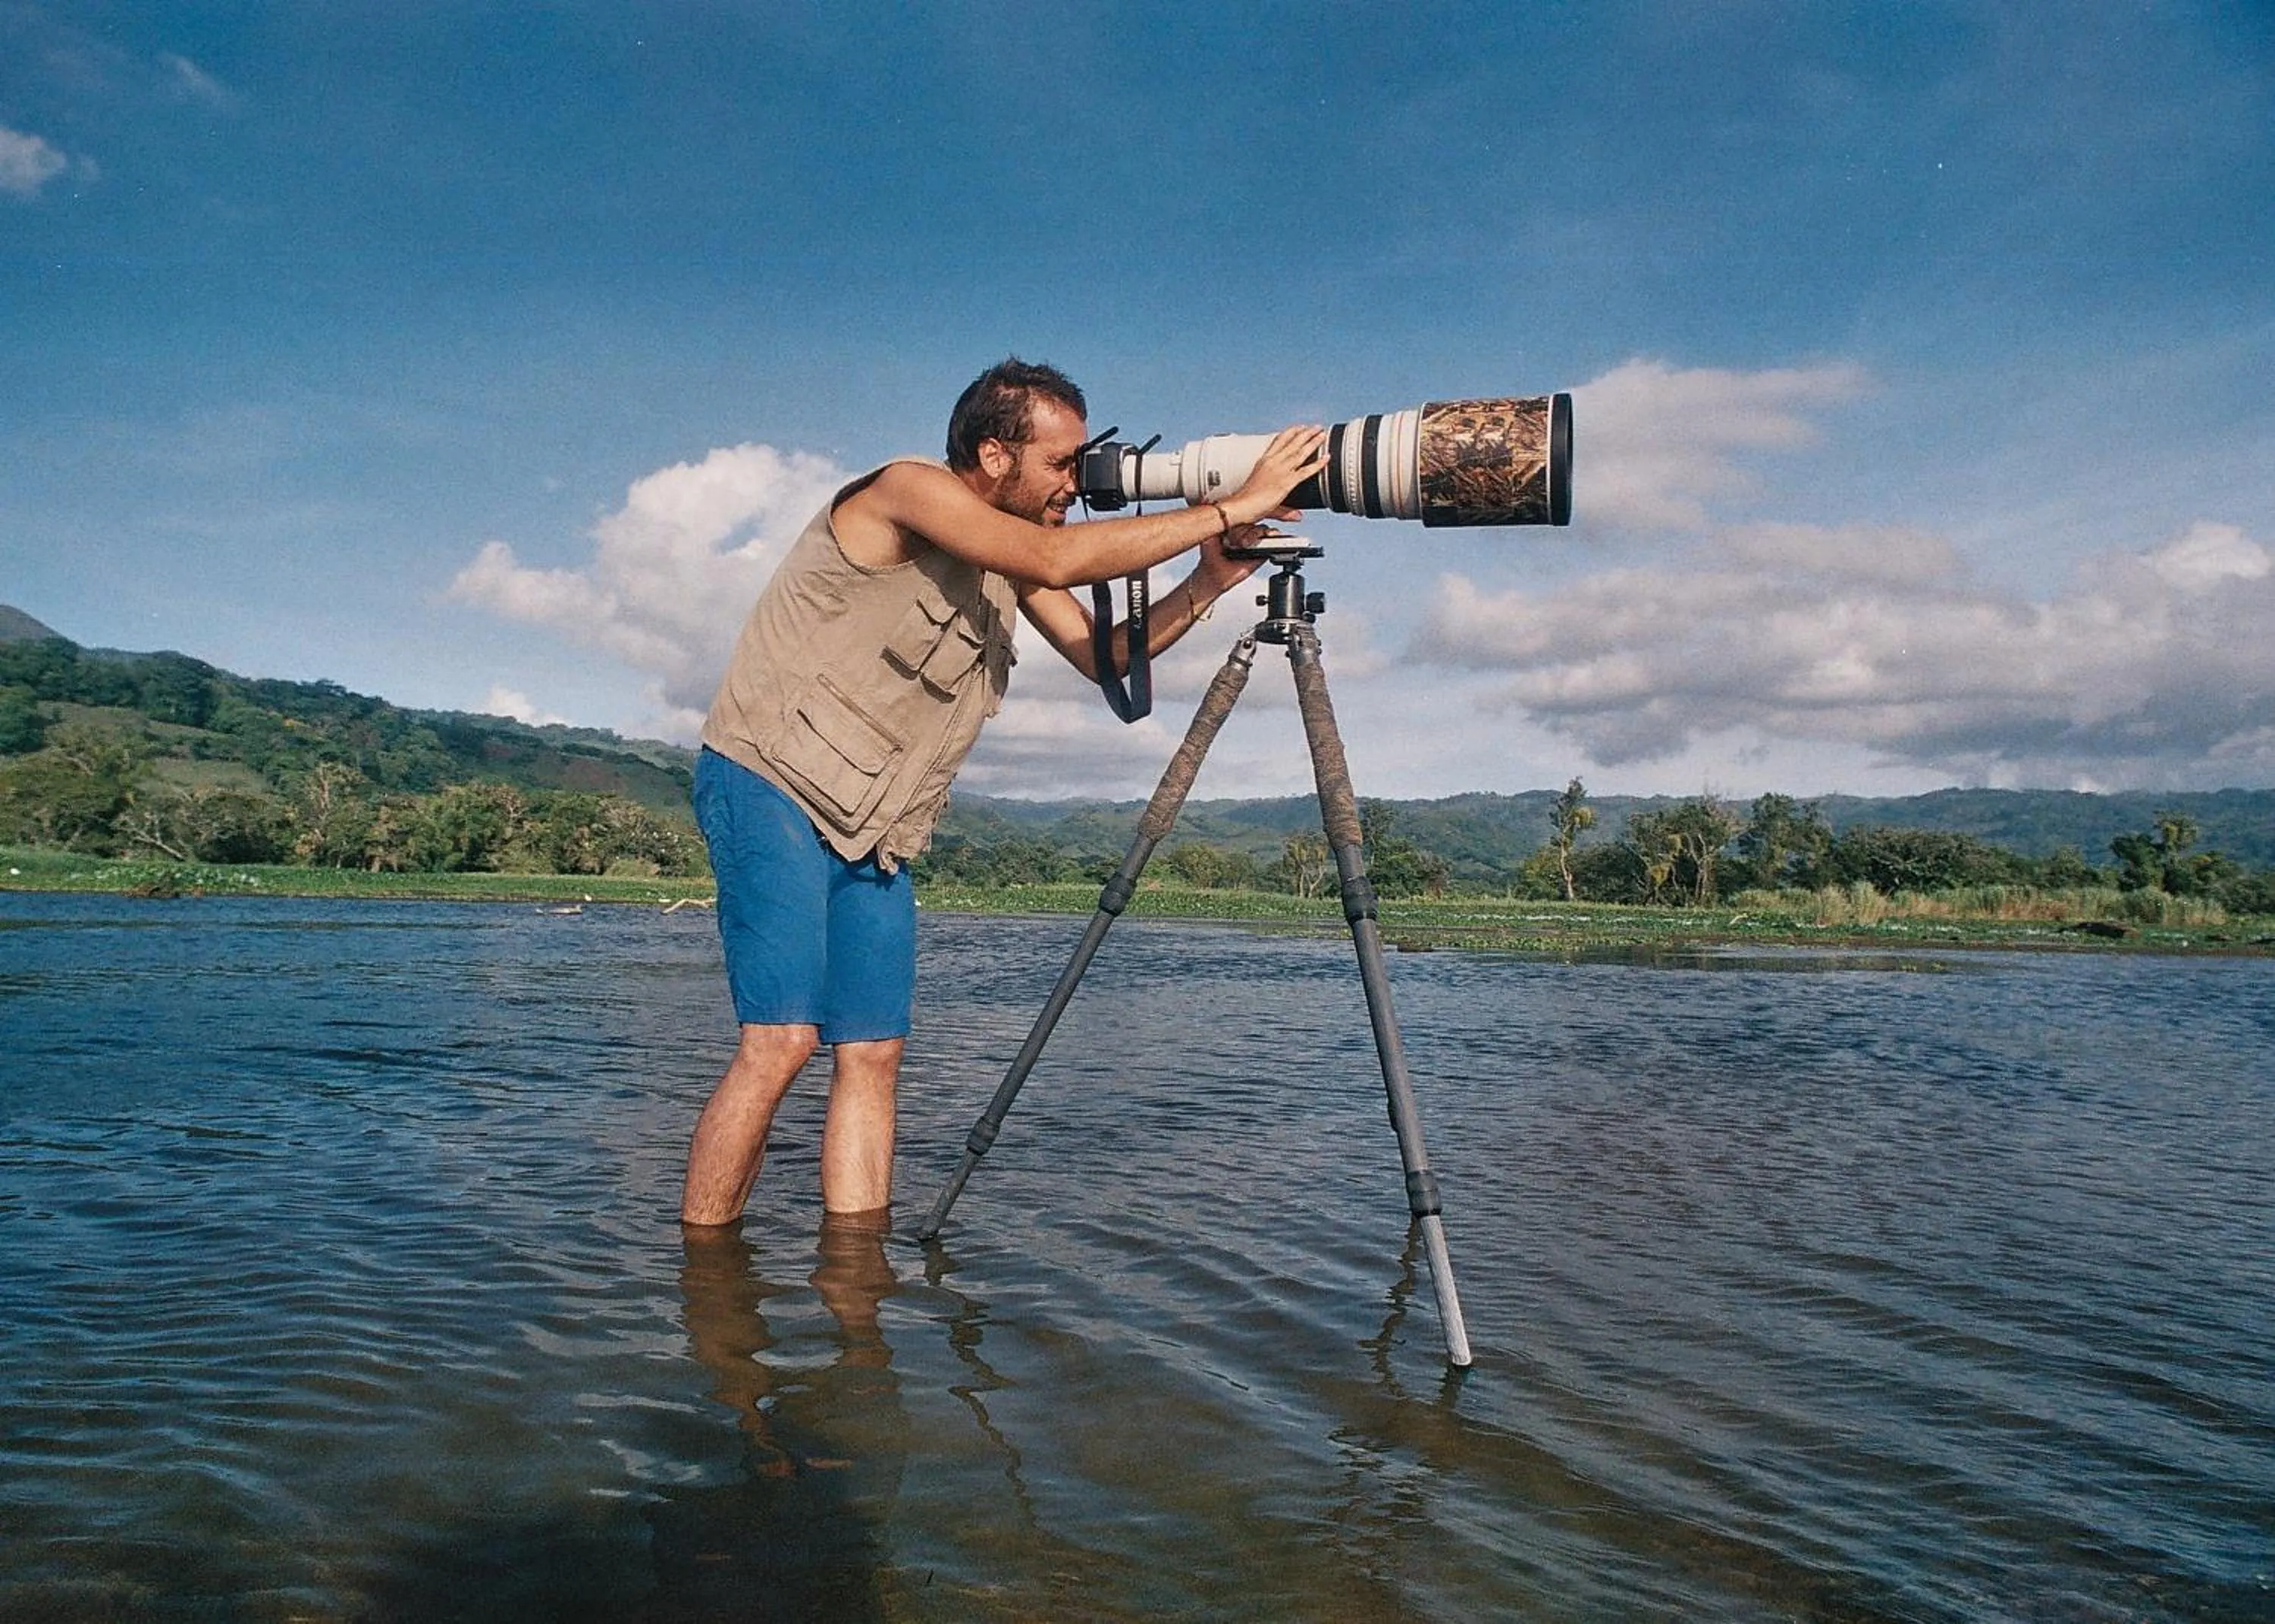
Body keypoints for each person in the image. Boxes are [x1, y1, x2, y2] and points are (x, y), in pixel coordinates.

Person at [682, 358, 1326, 1226]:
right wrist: (1231, 502)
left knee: (872, 1056)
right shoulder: (907, 490)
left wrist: (1209, 576)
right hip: (771, 781)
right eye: (1061, 464)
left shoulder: (1007, 565)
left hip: (874, 829)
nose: (1078, 484)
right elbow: (1053, 559)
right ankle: (706, 1287)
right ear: (992, 454)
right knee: (782, 1042)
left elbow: (1110, 659)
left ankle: (856, 1281)